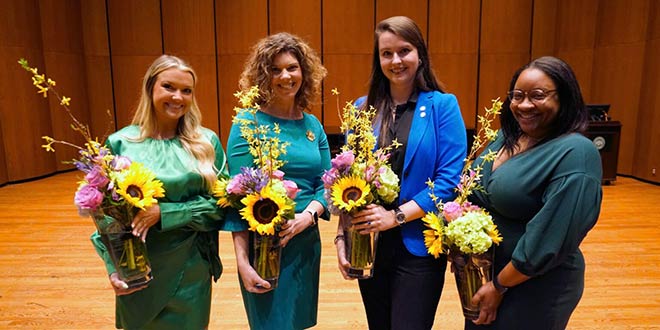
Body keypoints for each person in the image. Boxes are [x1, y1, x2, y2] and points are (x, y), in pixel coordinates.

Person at [335, 16, 467, 329]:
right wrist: (342, 237)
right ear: (378, 59)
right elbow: (347, 177)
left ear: (420, 54)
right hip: (369, 243)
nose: (396, 60)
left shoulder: (442, 106)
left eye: (404, 50)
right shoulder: (361, 109)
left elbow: (448, 181)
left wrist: (394, 217)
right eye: (386, 53)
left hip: (419, 244)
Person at [91, 55, 232, 329]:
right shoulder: (121, 143)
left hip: (191, 267)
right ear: (150, 88)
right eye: (168, 87)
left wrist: (165, 213)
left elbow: (221, 207)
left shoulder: (206, 142)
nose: (178, 97)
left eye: (186, 90)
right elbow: (104, 216)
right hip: (137, 265)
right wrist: (114, 268)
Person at [466, 56, 603, 329]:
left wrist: (499, 286)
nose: (525, 105)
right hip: (487, 275)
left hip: (533, 284)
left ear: (564, 97)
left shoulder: (576, 153)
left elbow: (549, 238)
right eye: (517, 96)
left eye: (537, 96)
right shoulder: (508, 135)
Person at [225, 32, 330, 329]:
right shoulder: (248, 123)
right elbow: (237, 198)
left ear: (304, 72)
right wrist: (242, 262)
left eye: (292, 68)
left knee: (298, 322)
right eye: (275, 69)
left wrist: (307, 217)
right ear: (263, 76)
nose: (285, 76)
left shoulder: (313, 125)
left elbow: (325, 185)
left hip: (306, 244)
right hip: (264, 247)